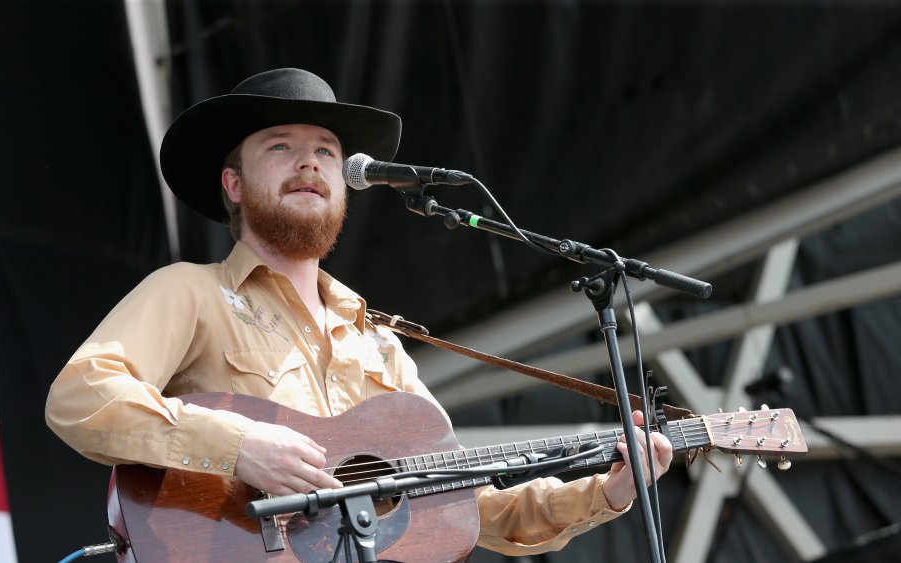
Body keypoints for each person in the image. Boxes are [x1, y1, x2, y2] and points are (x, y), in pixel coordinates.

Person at [45, 67, 672, 556]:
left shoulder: (376, 341)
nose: (309, 161)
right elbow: (80, 396)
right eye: (280, 146)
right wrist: (236, 446)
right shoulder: (190, 292)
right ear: (233, 184)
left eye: (325, 150)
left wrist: (609, 493)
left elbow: (465, 505)